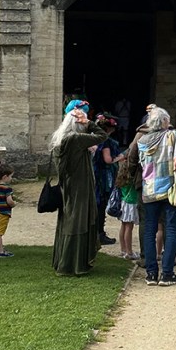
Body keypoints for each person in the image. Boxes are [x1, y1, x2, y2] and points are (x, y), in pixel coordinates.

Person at [126, 106, 176, 286]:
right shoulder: (173, 135)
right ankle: (167, 273)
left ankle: (151, 273)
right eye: (167, 120)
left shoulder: (142, 139)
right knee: (170, 230)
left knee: (149, 230)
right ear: (163, 122)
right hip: (169, 188)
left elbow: (133, 160)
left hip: (149, 189)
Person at [51, 101, 108, 276]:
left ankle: (65, 261)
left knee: (69, 220)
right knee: (78, 221)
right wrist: (88, 123)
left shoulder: (62, 139)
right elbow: (102, 136)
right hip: (79, 186)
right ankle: (73, 264)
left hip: (69, 185)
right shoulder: (76, 139)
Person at [92, 113, 122, 246]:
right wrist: (121, 157)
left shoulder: (93, 138)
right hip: (103, 177)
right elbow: (108, 160)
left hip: (93, 173)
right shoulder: (105, 141)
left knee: (96, 204)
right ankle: (99, 234)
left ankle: (95, 233)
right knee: (101, 204)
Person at [113, 154, 140, 260]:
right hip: (131, 203)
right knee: (129, 227)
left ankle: (123, 249)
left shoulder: (121, 179)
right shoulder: (131, 180)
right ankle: (129, 252)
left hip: (124, 202)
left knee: (123, 226)